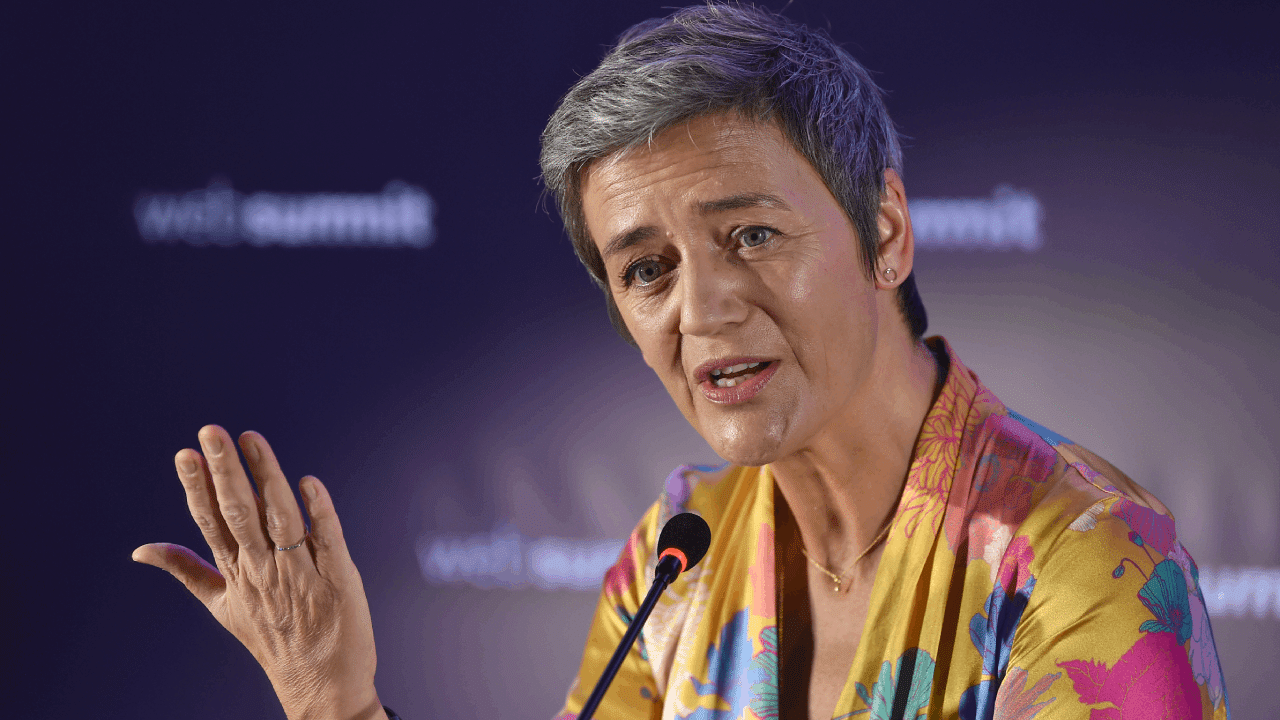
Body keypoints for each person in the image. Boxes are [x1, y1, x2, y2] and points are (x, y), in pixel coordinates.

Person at [133, 4, 1228, 720]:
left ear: (886, 232)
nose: (701, 310)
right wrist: (336, 700)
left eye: (750, 234)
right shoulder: (676, 558)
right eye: (647, 268)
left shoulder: (1087, 564)